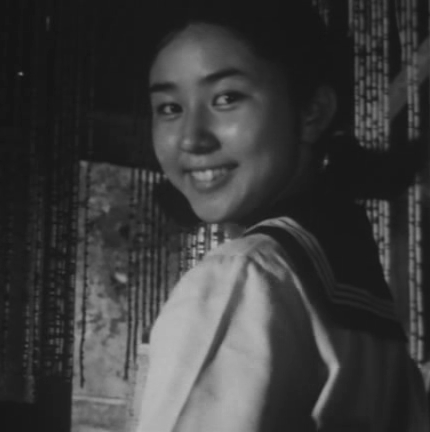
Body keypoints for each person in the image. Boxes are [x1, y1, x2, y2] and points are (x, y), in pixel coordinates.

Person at [136, 0, 429, 431]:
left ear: (312, 112)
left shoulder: (245, 275)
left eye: (226, 98)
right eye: (169, 108)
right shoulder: (352, 283)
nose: (191, 139)